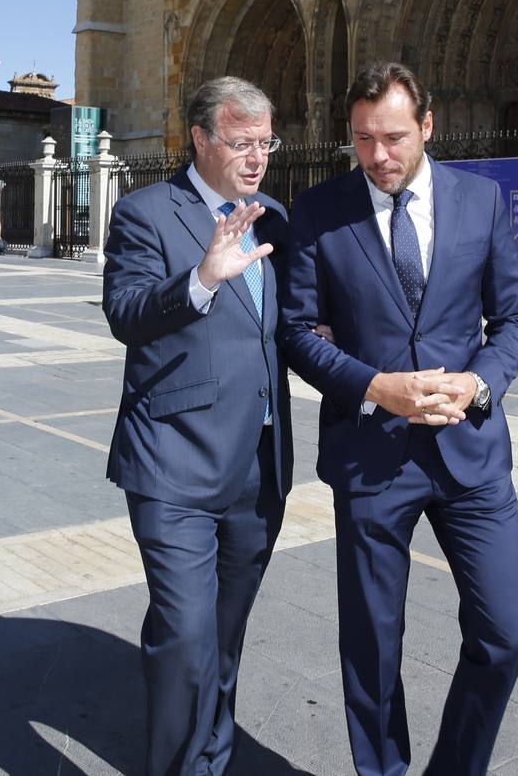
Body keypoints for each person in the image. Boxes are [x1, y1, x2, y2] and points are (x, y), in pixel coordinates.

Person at [280, 61, 518, 776]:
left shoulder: (480, 201)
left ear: (426, 126)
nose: (378, 156)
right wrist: (374, 386)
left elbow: (512, 320)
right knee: (371, 644)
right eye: (362, 140)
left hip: (470, 455)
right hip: (370, 456)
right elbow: (296, 331)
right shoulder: (319, 209)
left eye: (393, 137)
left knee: (504, 636)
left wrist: (478, 385)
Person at [103, 76, 293, 775]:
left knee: (222, 634)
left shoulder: (273, 215)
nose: (255, 158)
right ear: (200, 139)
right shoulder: (146, 212)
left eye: (265, 143)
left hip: (258, 464)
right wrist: (201, 281)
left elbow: (283, 328)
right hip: (174, 462)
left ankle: (208, 757)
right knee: (185, 634)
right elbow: (125, 314)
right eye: (240, 143)